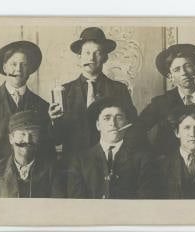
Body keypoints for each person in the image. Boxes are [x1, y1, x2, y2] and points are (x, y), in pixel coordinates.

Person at [0, 39, 48, 195]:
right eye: (13, 64)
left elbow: (45, 147)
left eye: (23, 64)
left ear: (30, 69)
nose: (18, 69)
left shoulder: (42, 106)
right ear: (5, 67)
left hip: (32, 184)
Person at [49, 27, 137, 161]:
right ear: (79, 57)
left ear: (105, 58)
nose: (91, 57)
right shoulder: (64, 91)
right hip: (73, 164)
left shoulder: (119, 90)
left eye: (97, 53)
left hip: (109, 160)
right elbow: (57, 139)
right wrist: (54, 120)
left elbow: (130, 128)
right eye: (87, 53)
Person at [135, 44, 195, 159]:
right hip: (168, 171)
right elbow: (136, 130)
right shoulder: (161, 103)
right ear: (170, 76)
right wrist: (150, 157)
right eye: (177, 69)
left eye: (188, 66)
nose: (184, 72)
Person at [65, 98, 156, 199]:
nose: (113, 123)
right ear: (98, 125)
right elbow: (78, 203)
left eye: (119, 118)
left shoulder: (142, 159)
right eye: (106, 118)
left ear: (126, 124)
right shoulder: (80, 161)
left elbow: (145, 202)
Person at [0, 111, 61, 198]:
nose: (27, 140)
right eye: (22, 134)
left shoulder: (52, 171)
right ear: (11, 138)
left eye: (33, 134)